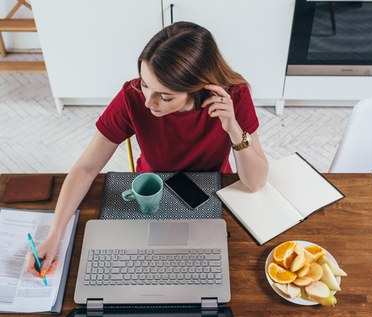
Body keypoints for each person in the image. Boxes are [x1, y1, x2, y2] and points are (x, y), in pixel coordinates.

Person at [26, 21, 268, 279]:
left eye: (164, 96)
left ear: (200, 88)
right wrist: (54, 236)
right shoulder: (132, 97)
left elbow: (255, 183)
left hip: (210, 193)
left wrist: (232, 127)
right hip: (151, 194)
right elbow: (86, 168)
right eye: (145, 83)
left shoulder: (235, 97)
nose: (148, 101)